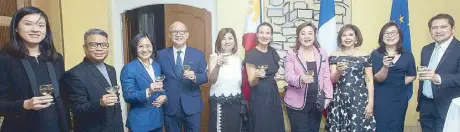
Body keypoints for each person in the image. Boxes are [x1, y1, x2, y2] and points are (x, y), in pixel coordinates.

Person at [0, 6, 70, 132]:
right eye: (28, 24)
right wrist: (26, 104)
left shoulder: (56, 58)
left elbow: (63, 97)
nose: (35, 29)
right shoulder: (5, 59)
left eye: (41, 25)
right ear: (16, 27)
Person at [62, 29, 123, 132]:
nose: (99, 49)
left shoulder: (111, 69)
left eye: (103, 45)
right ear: (85, 48)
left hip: (115, 127)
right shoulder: (74, 74)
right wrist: (100, 103)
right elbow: (77, 109)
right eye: (93, 45)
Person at [156, 21, 208, 132]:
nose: (178, 34)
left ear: (187, 34)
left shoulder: (198, 54)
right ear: (170, 35)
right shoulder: (161, 55)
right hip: (170, 106)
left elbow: (205, 77)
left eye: (182, 31)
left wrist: (195, 77)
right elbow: (157, 77)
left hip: (192, 106)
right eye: (174, 31)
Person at [283, 22, 333, 132]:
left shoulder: (322, 53)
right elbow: (288, 75)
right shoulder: (292, 53)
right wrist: (301, 79)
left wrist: (328, 97)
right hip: (296, 104)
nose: (307, 36)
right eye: (303, 33)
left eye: (310, 33)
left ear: (314, 35)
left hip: (316, 103)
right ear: (298, 36)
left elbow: (326, 77)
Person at [326, 24, 376, 132]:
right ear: (340, 39)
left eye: (350, 35)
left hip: (360, 97)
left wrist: (371, 102)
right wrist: (339, 71)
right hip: (339, 98)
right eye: (344, 35)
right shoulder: (334, 56)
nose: (347, 38)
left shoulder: (365, 57)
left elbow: (369, 80)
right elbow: (333, 80)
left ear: (356, 38)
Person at [417, 13, 460, 132]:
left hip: (448, 105)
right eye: (434, 28)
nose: (438, 30)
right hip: (426, 104)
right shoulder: (426, 49)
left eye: (443, 27)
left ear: (453, 29)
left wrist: (439, 78)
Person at [371, 22, 416, 132]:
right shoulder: (376, 54)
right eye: (386, 33)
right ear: (381, 37)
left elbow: (412, 75)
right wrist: (385, 67)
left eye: (393, 32)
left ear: (399, 35)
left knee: (397, 126)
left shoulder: (408, 55)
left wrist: (399, 83)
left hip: (400, 97)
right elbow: (378, 78)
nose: (390, 35)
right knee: (381, 127)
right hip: (381, 96)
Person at [120, 33, 167, 132]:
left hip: (157, 120)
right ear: (135, 49)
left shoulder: (156, 65)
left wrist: (163, 96)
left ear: (152, 47)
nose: (145, 50)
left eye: (148, 46)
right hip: (140, 123)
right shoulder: (129, 68)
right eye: (140, 46)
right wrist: (148, 91)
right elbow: (128, 96)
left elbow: (160, 87)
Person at [245, 22, 285, 132]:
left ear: (271, 36)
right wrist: (257, 75)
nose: (264, 36)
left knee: (274, 126)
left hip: (273, 95)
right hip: (259, 97)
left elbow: (277, 71)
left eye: (268, 33)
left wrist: (278, 76)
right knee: (261, 127)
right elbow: (251, 83)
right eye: (261, 32)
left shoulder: (273, 52)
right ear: (257, 35)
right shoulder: (251, 54)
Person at [207, 28, 247, 132]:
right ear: (219, 41)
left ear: (234, 41)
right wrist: (217, 65)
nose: (227, 41)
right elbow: (212, 80)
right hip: (219, 102)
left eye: (230, 38)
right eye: (223, 38)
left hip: (236, 103)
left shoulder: (239, 59)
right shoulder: (214, 57)